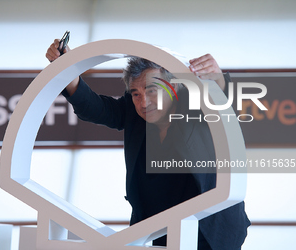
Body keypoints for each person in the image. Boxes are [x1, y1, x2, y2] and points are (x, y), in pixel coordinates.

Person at [46, 39, 250, 249]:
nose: (143, 102)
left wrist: (218, 81)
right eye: (136, 94)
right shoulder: (133, 112)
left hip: (210, 231)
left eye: (152, 90)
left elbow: (225, 104)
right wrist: (67, 68)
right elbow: (95, 107)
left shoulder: (194, 104)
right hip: (157, 230)